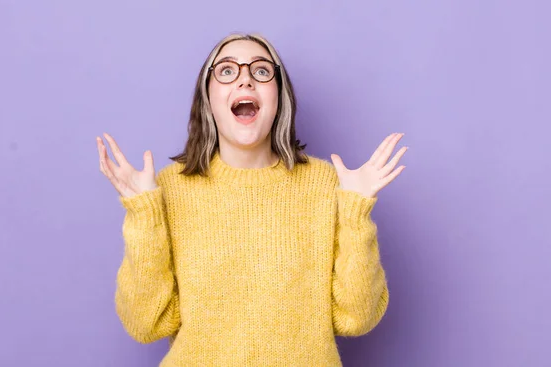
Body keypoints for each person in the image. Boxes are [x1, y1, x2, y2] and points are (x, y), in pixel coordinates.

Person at [96, 33, 407, 366]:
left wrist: (356, 211)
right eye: (227, 71)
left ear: (279, 95)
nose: (245, 79)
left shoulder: (328, 185)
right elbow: (146, 324)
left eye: (261, 71)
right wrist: (144, 214)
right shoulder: (169, 189)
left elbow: (357, 317)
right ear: (208, 98)